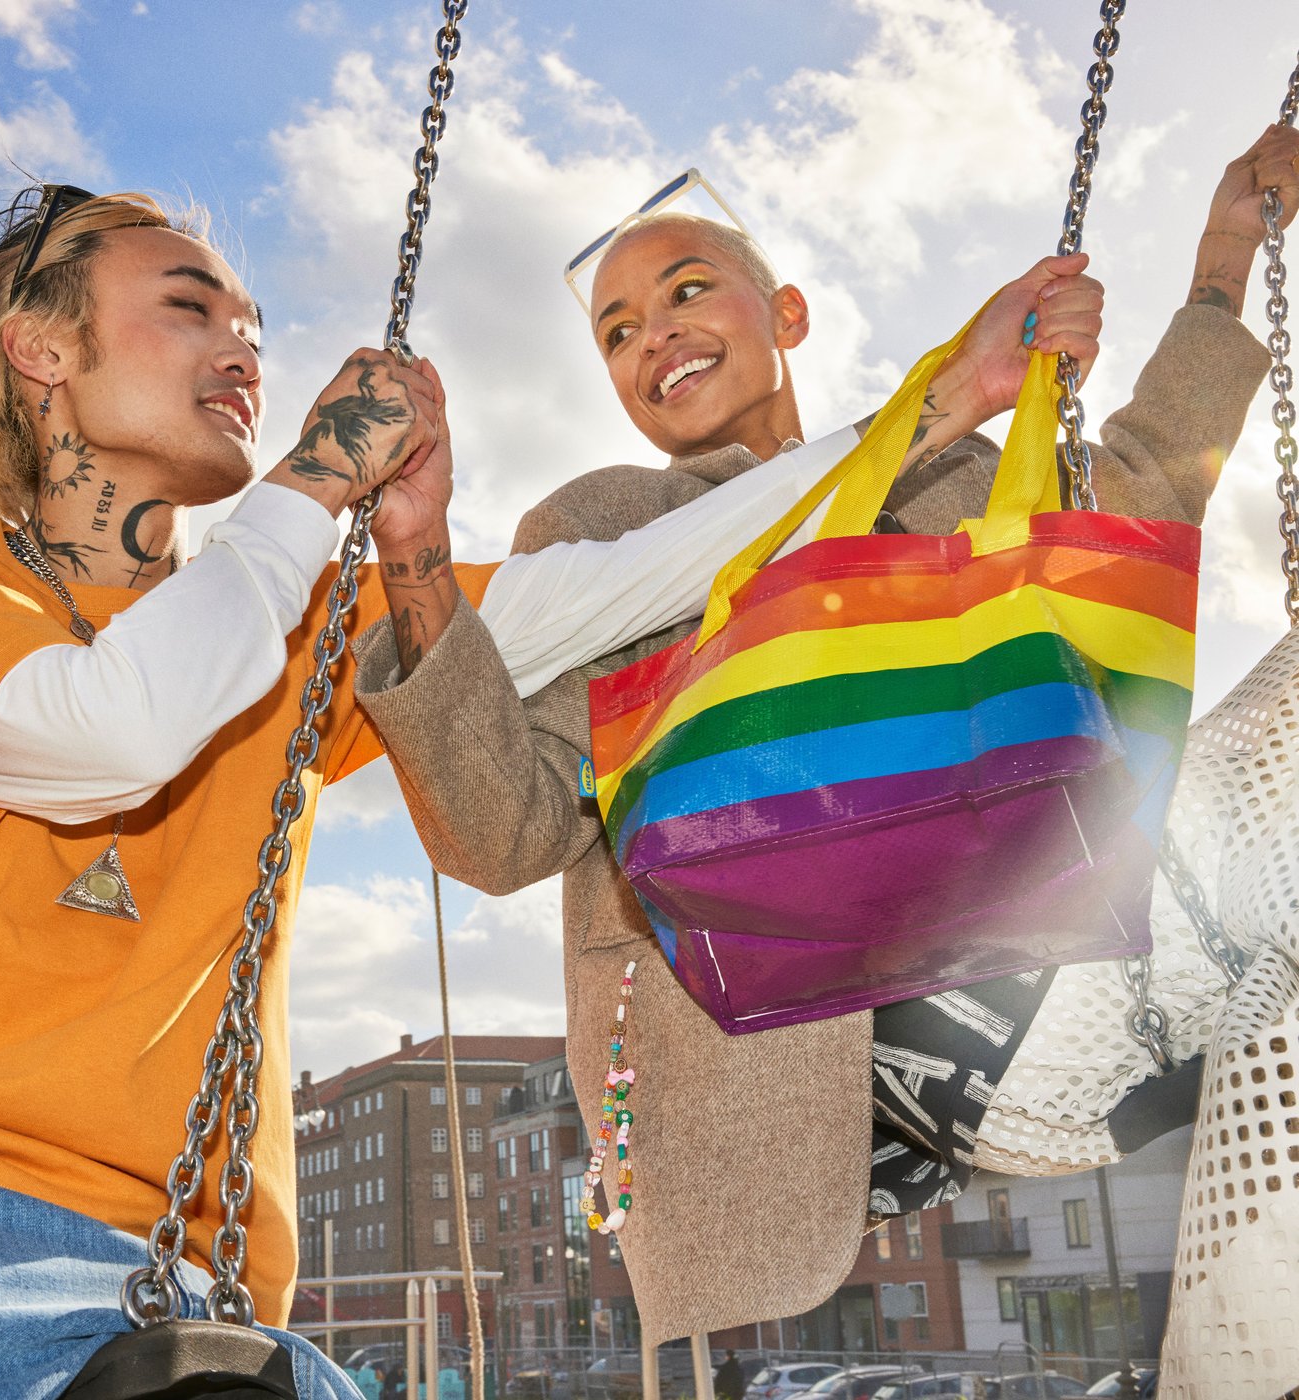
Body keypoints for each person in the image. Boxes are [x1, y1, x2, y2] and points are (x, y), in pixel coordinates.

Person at [0, 184, 935, 1396]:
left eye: (254, 325)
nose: (243, 347)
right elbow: (115, 721)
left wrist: (926, 412)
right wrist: (316, 475)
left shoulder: (291, 636)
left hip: (194, 1295)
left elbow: (623, 584)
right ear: (42, 349)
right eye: (191, 308)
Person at [351, 124, 1299, 1345]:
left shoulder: (948, 480)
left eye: (688, 289)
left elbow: (1148, 479)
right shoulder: (605, 524)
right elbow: (504, 827)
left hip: (1039, 950)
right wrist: (417, 560)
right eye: (619, 330)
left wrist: (1223, 252)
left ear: (785, 312)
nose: (656, 336)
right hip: (796, 1037)